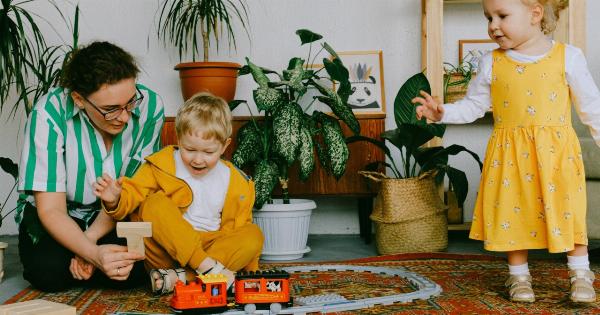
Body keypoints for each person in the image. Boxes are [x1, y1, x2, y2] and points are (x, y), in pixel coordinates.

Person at [412, 0, 600, 304]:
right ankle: (519, 275)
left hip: (556, 156)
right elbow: (474, 106)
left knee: (567, 211)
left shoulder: (569, 57)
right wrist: (441, 112)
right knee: (515, 212)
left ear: (535, 14)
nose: (493, 25)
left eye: (502, 16)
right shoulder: (492, 62)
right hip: (510, 155)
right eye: (488, 17)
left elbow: (592, 108)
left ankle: (580, 273)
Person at [16, 41, 165, 292]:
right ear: (79, 99)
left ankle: (90, 262)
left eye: (130, 102)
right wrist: (94, 254)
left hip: (116, 212)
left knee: (132, 273)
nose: (125, 116)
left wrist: (89, 243)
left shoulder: (150, 107)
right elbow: (51, 210)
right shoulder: (48, 114)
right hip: (59, 215)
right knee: (49, 274)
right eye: (110, 109)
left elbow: (131, 190)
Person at [93, 92, 263, 295]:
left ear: (225, 146)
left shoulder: (237, 181)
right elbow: (133, 194)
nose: (198, 160)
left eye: (208, 152)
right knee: (153, 203)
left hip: (213, 248)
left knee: (254, 235)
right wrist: (115, 200)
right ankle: (206, 269)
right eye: (189, 149)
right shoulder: (161, 164)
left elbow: (241, 225)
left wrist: (251, 274)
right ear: (178, 138)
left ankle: (182, 278)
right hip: (167, 249)